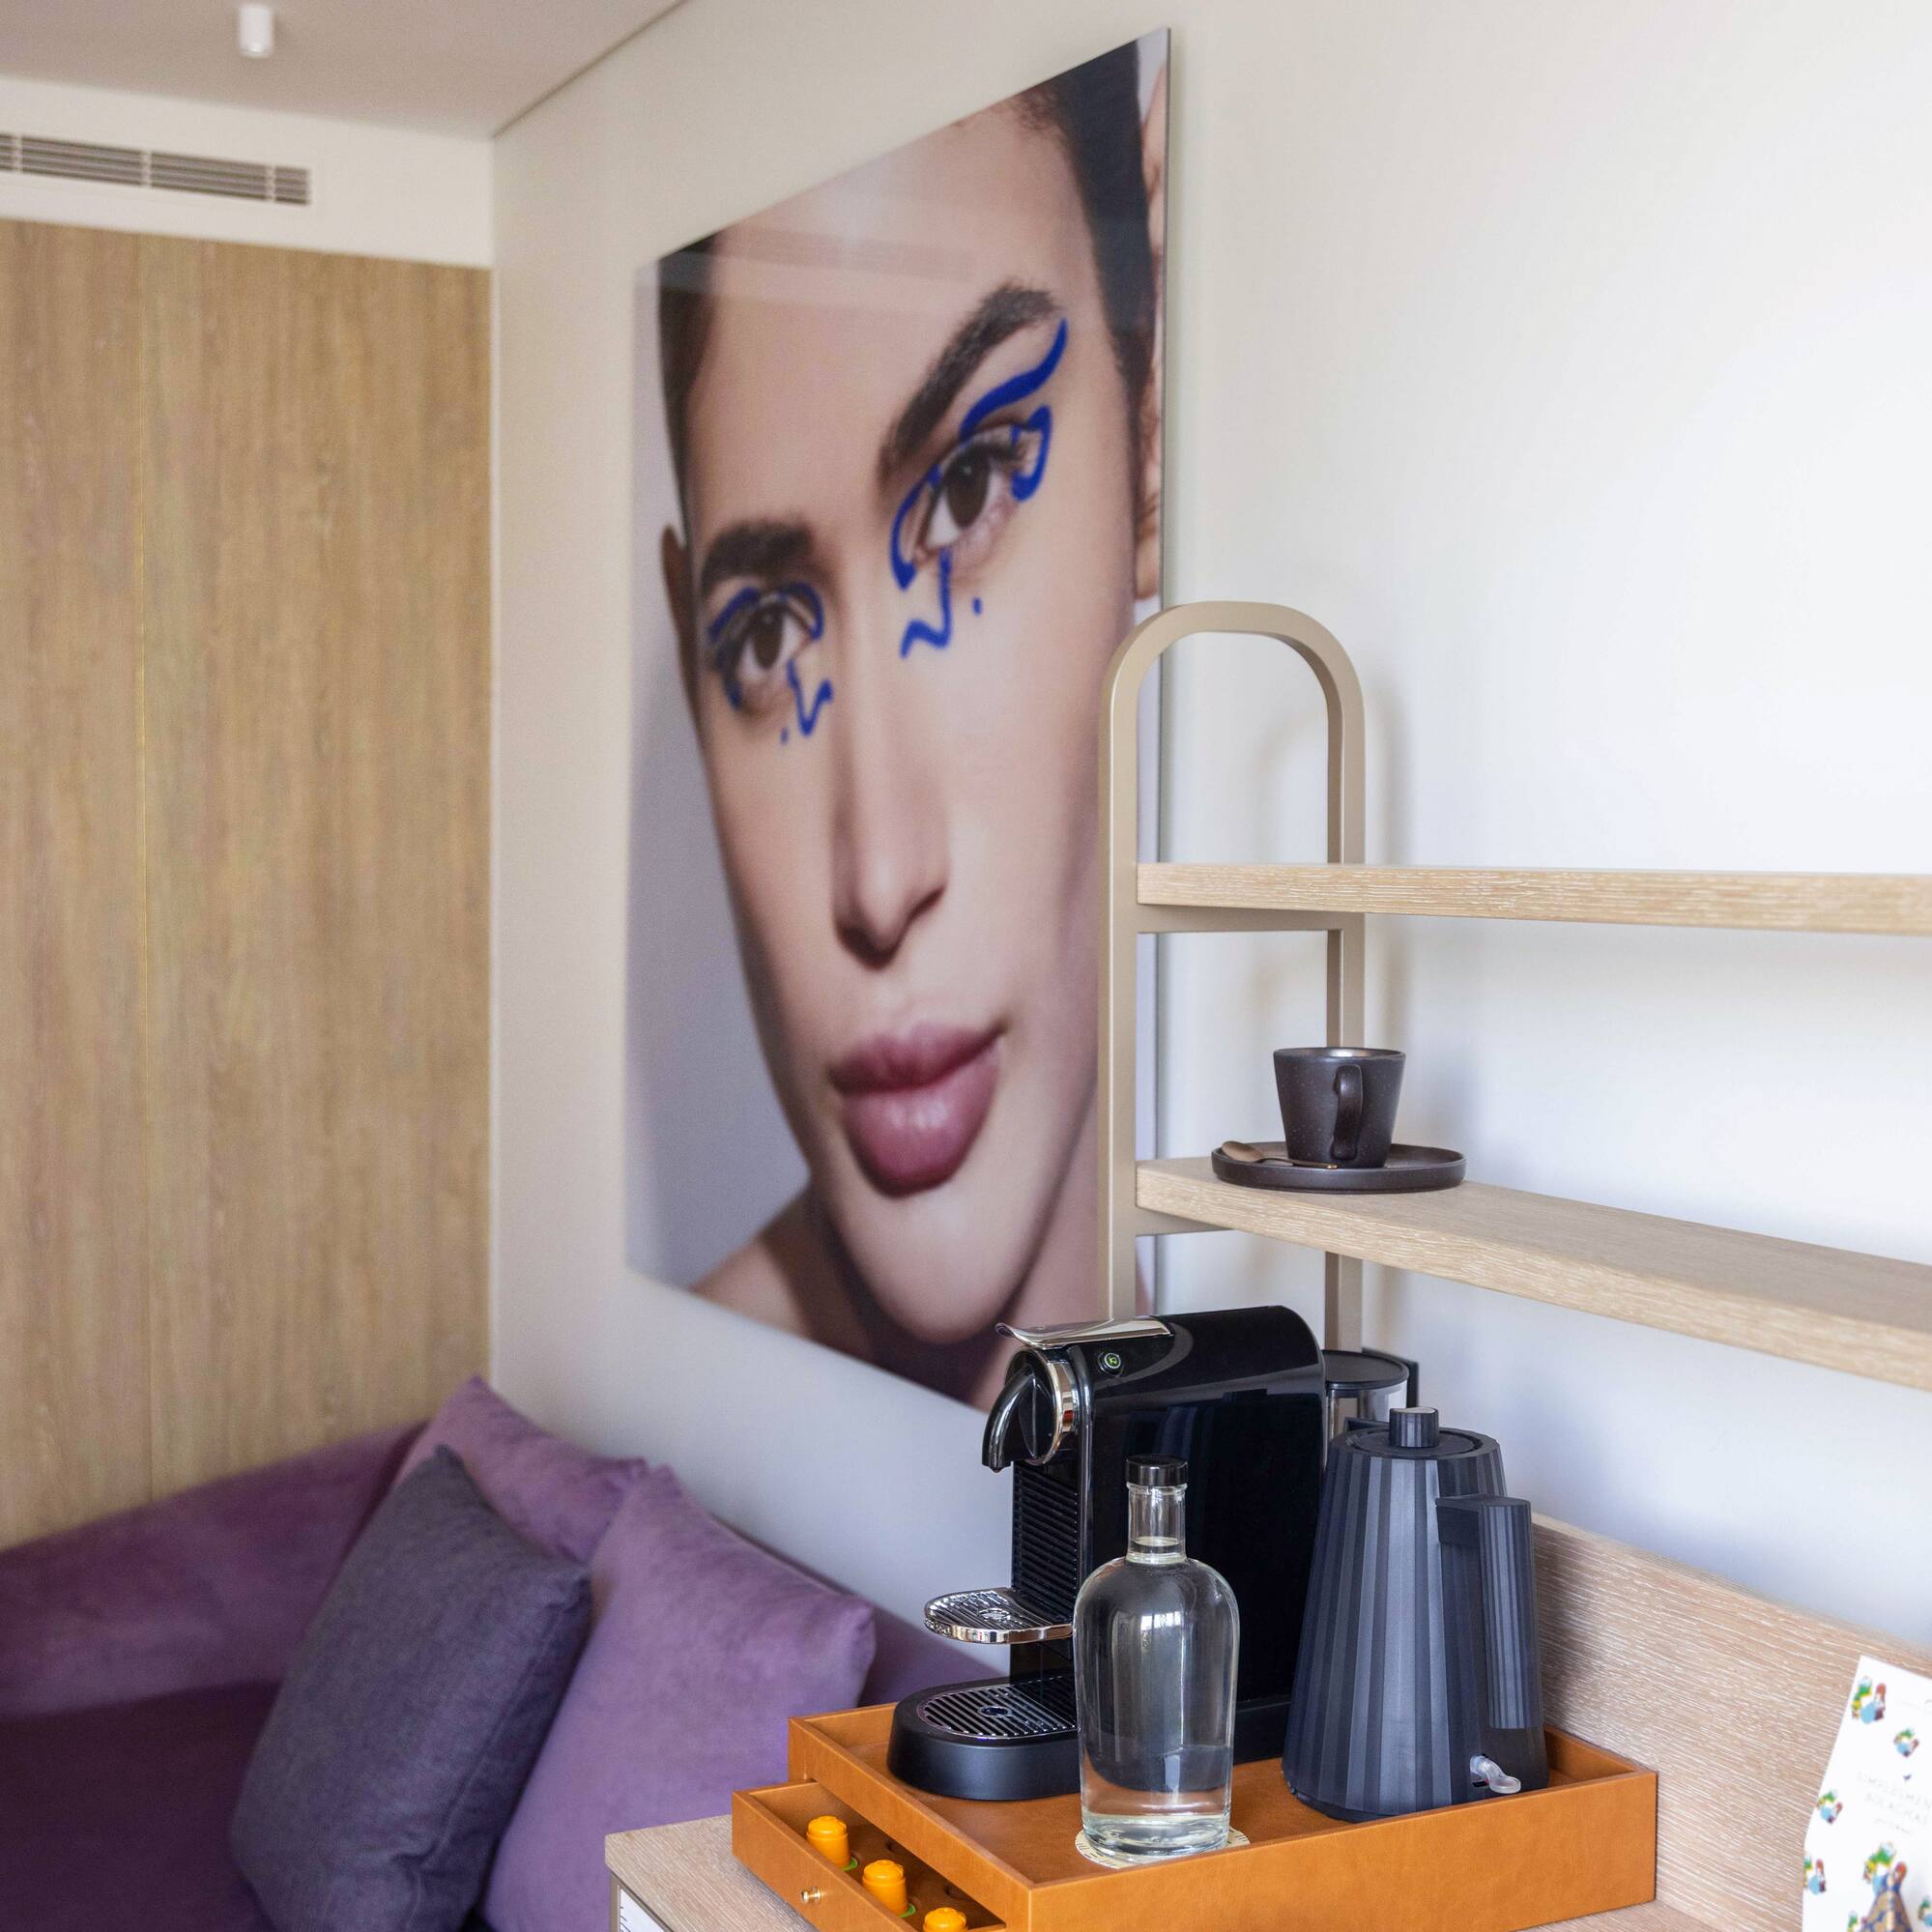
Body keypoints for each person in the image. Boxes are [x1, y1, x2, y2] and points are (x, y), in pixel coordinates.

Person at [655, 39, 1167, 1404]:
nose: (879, 878)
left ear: (1154, 437)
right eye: (761, 635)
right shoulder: (673, 1430)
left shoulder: (1272, 1390)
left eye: (968, 495)